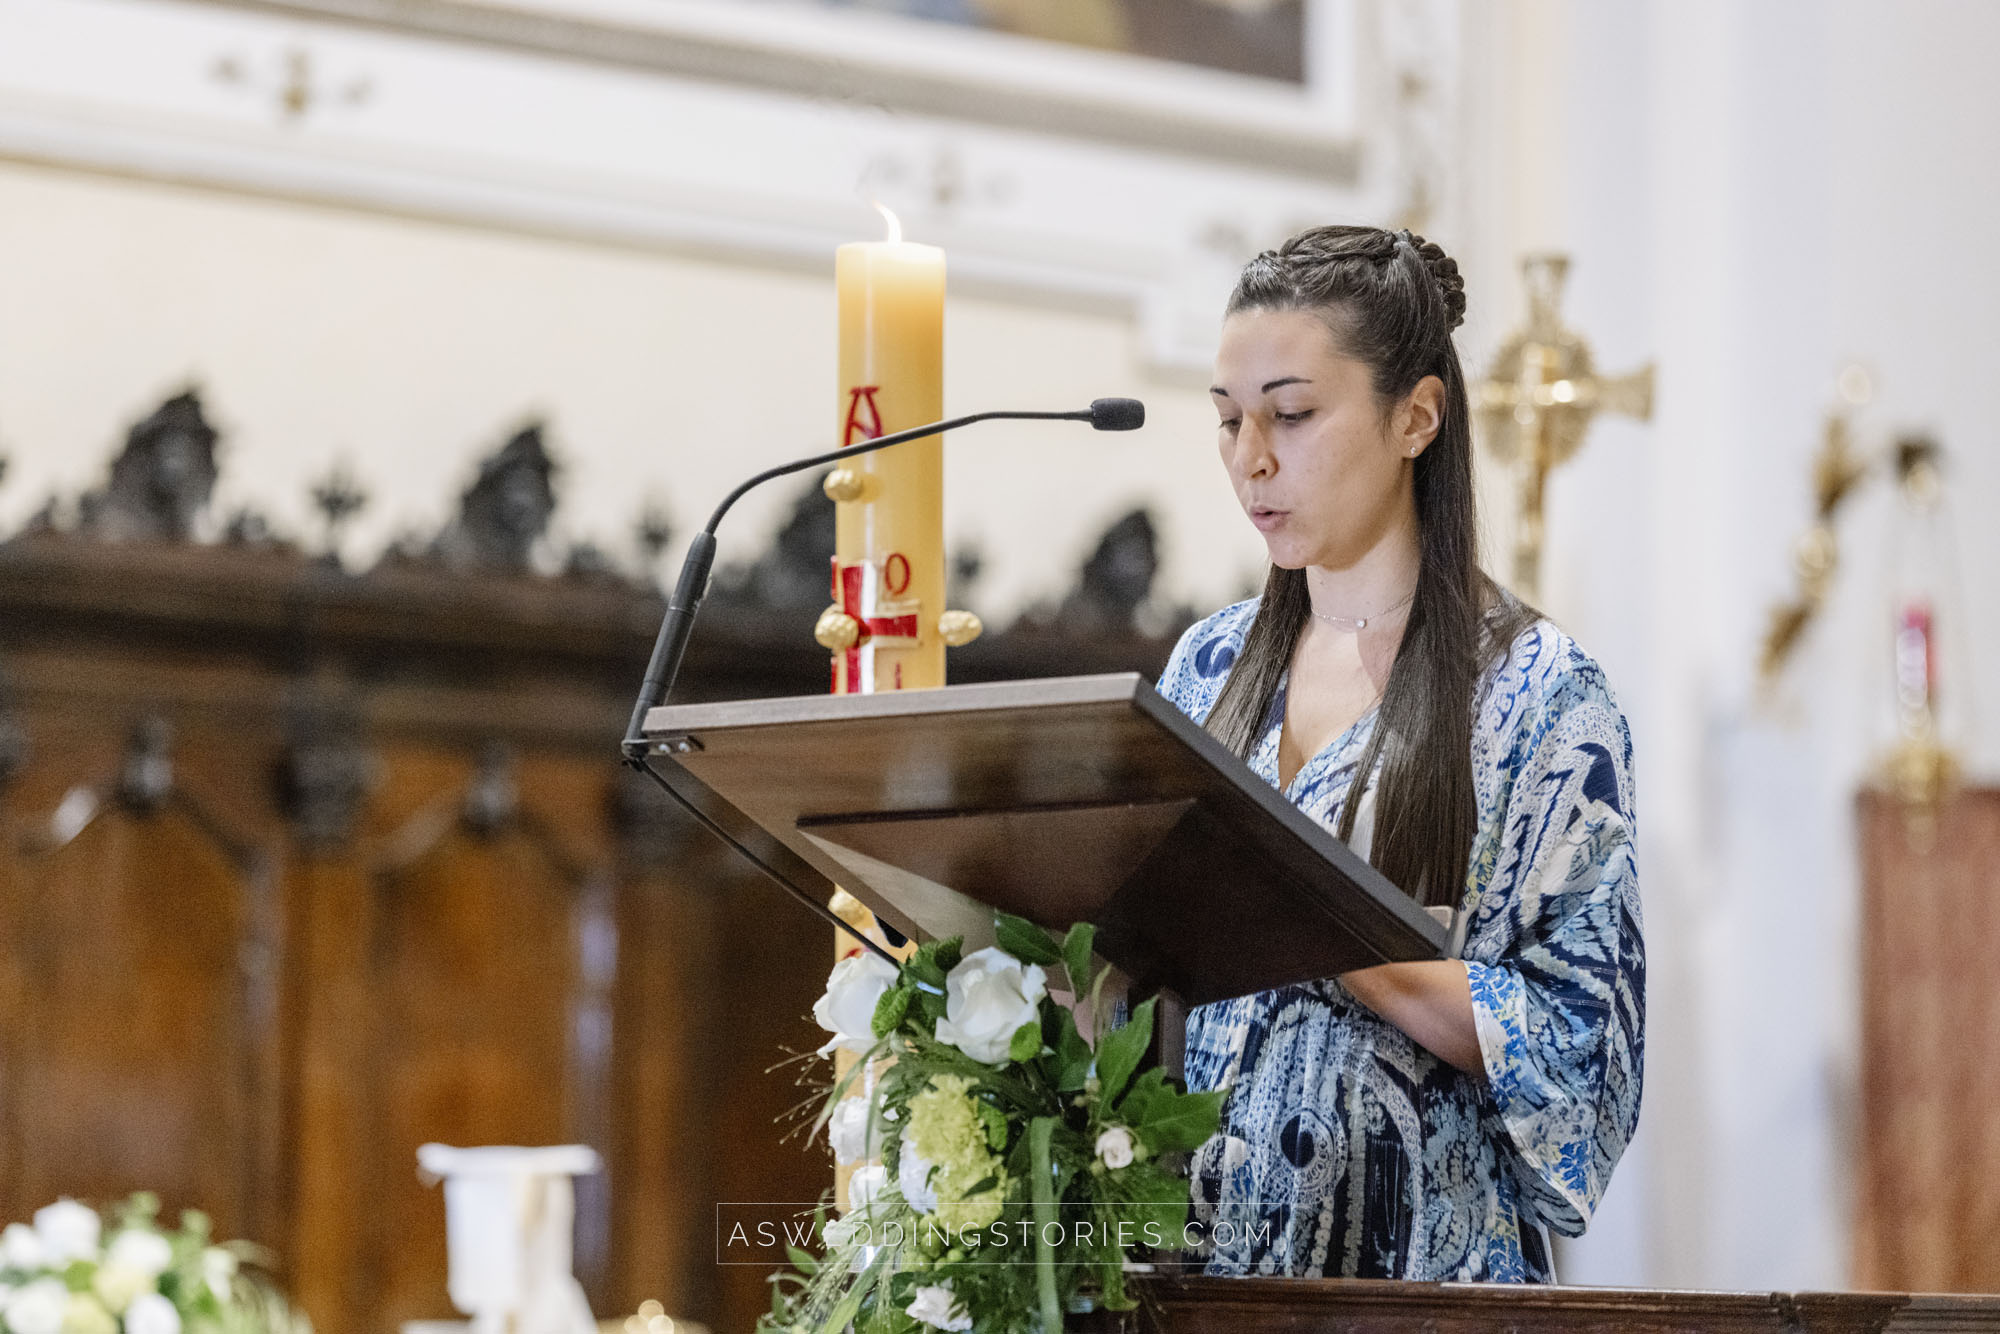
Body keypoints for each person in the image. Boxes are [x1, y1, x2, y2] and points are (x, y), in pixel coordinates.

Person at [1157, 224, 1643, 1283]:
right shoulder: (1204, 669)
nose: (1251, 457)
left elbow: (1578, 1053)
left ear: (1414, 415)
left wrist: (1305, 922)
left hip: (1422, 1278)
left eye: (1290, 412)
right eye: (1229, 419)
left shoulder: (1538, 696)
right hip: (1196, 1282)